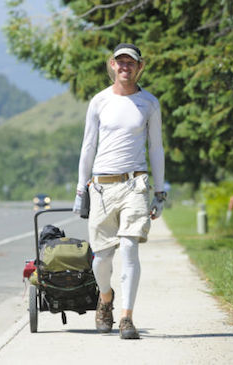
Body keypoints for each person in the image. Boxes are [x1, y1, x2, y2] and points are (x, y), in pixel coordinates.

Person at [72, 43, 167, 339]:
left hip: (134, 184)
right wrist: (80, 188)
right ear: (112, 65)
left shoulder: (149, 103)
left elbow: (156, 148)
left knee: (128, 247)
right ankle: (106, 298)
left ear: (140, 67)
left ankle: (127, 317)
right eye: (120, 62)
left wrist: (159, 192)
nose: (125, 67)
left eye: (131, 63)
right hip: (101, 186)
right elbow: (88, 146)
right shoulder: (99, 102)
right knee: (102, 257)